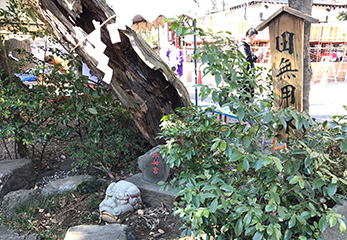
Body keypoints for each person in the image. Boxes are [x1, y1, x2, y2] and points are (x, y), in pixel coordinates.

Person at [238, 28, 261, 100]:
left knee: (250, 94)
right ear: (248, 36)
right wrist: (256, 55)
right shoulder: (242, 45)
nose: (253, 40)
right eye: (253, 37)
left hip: (249, 74)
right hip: (244, 74)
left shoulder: (247, 46)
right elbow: (247, 59)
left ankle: (248, 108)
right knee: (245, 94)